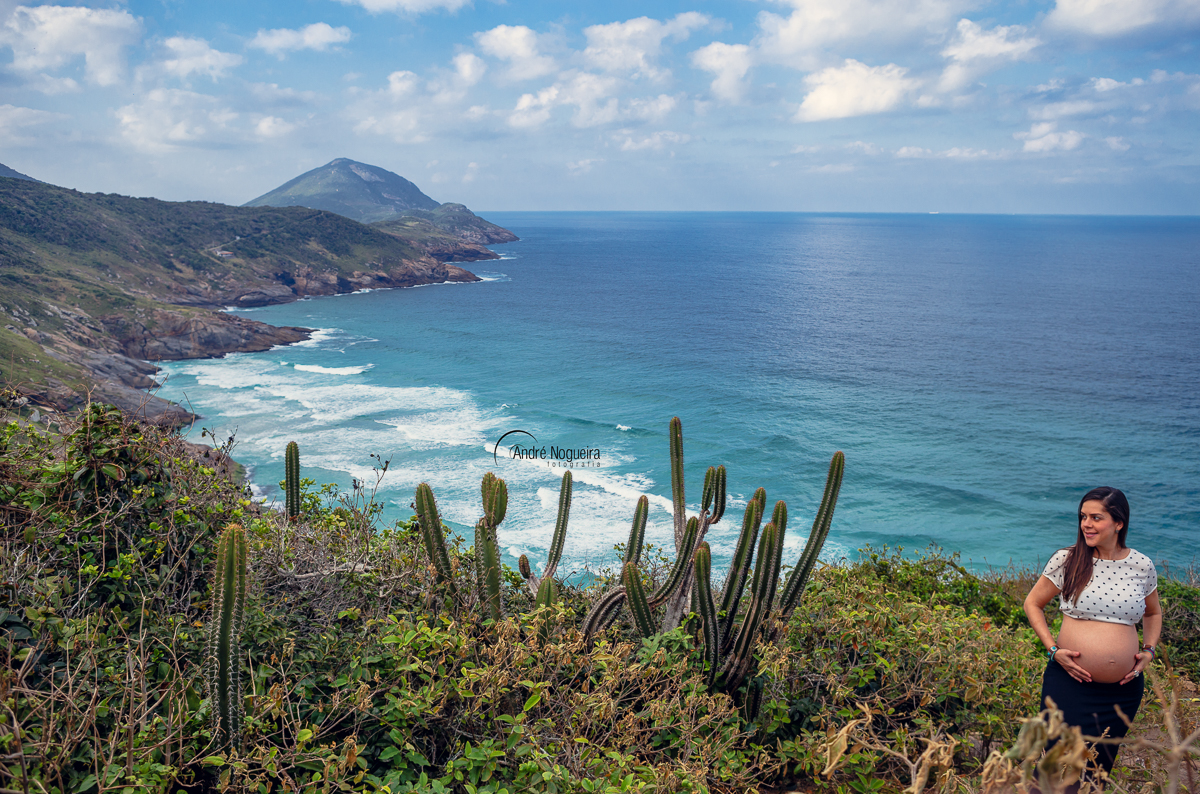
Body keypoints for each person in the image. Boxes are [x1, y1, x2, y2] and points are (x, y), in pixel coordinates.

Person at [1023, 486, 1162, 783]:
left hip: (1122, 693)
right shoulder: (1067, 559)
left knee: (1094, 774)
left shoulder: (1141, 565)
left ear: (1118, 522)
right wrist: (1052, 650)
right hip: (1068, 683)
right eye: (1083, 517)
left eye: (1096, 518)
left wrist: (1149, 651)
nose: (1086, 524)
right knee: (1052, 767)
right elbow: (1032, 603)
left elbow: (1153, 613)